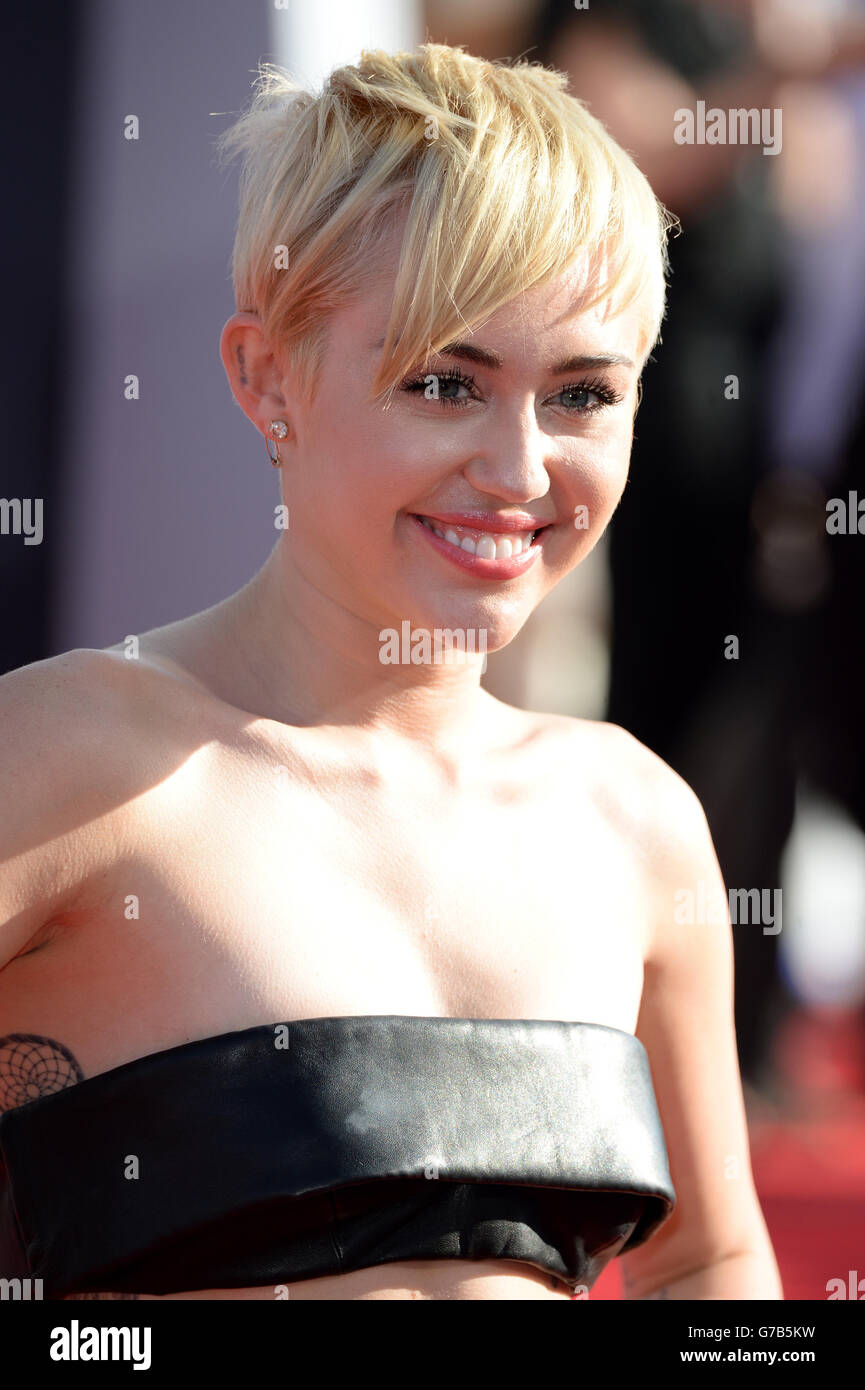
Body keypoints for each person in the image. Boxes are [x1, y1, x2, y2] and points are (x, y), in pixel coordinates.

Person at [0, 43, 782, 1301]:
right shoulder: (65, 757)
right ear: (268, 377)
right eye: (443, 382)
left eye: (583, 393)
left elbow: (711, 1258)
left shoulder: (633, 818)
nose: (521, 470)